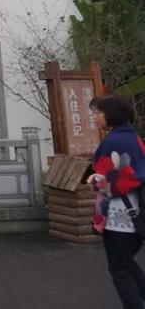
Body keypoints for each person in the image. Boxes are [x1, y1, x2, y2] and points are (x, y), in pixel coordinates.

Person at [87, 94, 145, 308]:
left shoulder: (114, 141)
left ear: (111, 114)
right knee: (126, 263)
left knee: (120, 269)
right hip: (135, 209)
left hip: (119, 215)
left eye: (98, 113)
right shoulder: (131, 137)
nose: (95, 117)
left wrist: (94, 180)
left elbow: (112, 181)